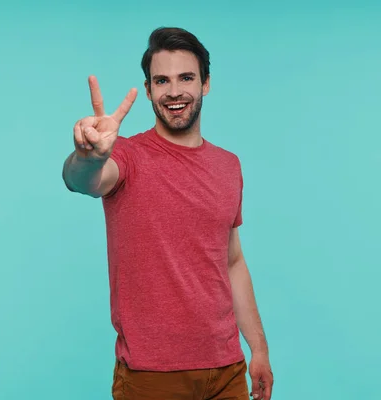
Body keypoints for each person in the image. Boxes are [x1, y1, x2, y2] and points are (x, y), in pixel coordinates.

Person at [62, 27, 273, 400]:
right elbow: (82, 181)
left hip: (228, 372)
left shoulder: (229, 166)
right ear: (148, 91)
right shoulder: (126, 156)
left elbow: (233, 261)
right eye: (162, 80)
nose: (174, 91)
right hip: (151, 378)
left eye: (186, 78)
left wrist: (259, 349)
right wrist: (87, 157)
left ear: (206, 84)